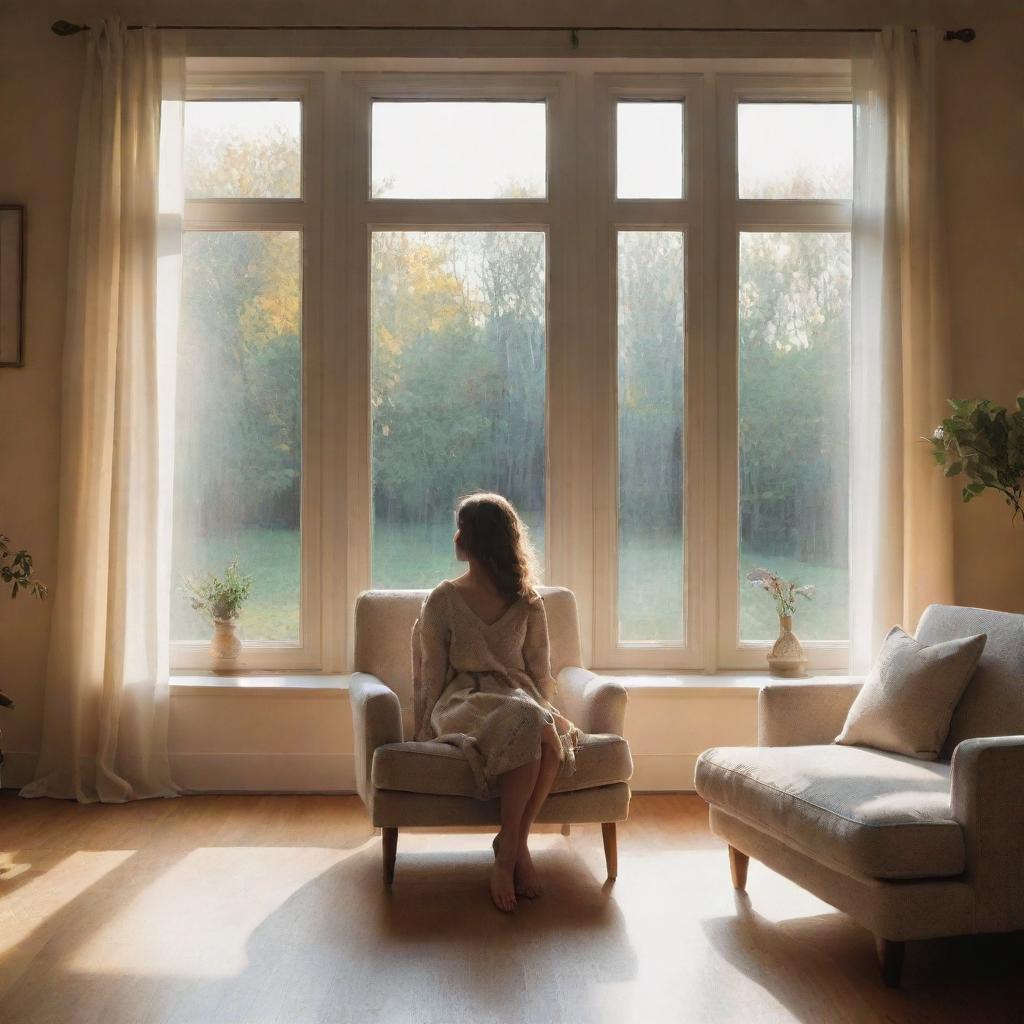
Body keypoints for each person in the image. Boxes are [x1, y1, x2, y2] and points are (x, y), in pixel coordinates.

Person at [412, 491, 584, 913]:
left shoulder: (528, 601)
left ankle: (510, 845)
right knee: (531, 720)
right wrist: (421, 728)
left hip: (517, 698)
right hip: (463, 701)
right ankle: (513, 854)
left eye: (462, 528)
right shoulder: (443, 600)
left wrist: (548, 714)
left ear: (478, 540)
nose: (455, 535)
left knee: (539, 726)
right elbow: (431, 672)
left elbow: (538, 670)